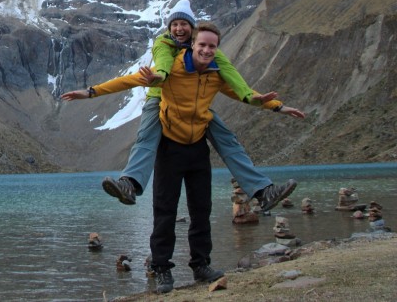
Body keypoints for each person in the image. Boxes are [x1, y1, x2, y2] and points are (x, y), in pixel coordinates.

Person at [73, 23, 306, 293]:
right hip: (169, 148)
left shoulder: (216, 74)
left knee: (201, 211)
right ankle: (161, 269)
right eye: (202, 45)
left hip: (197, 147)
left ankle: (201, 265)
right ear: (192, 45)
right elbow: (129, 80)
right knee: (165, 212)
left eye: (212, 46)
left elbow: (247, 94)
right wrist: (90, 92)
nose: (207, 50)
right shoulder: (172, 68)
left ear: (216, 50)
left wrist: (278, 106)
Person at [62, 0, 296, 212]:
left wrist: (276, 105)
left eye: (184, 24)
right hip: (160, 95)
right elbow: (136, 77)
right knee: (147, 139)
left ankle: (264, 191)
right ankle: (130, 184)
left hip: (196, 108)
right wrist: (91, 91)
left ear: (193, 31)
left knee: (229, 142)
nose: (179, 29)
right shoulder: (165, 47)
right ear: (169, 27)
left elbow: (235, 84)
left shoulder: (208, 56)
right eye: (175, 24)